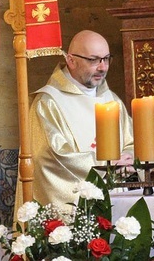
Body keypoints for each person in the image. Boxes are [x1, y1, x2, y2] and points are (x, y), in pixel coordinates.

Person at [27, 30, 134, 206]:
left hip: (117, 202)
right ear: (71, 60)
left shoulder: (111, 100)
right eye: (93, 60)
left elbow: (130, 142)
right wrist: (104, 163)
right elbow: (48, 157)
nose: (103, 67)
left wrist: (127, 158)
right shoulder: (49, 102)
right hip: (72, 210)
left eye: (106, 59)